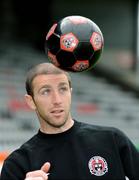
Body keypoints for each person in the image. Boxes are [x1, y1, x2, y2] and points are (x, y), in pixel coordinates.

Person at [1, 62, 139, 180]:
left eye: (62, 89)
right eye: (45, 91)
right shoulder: (17, 165)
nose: (57, 100)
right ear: (31, 101)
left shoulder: (112, 139)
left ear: (70, 93)